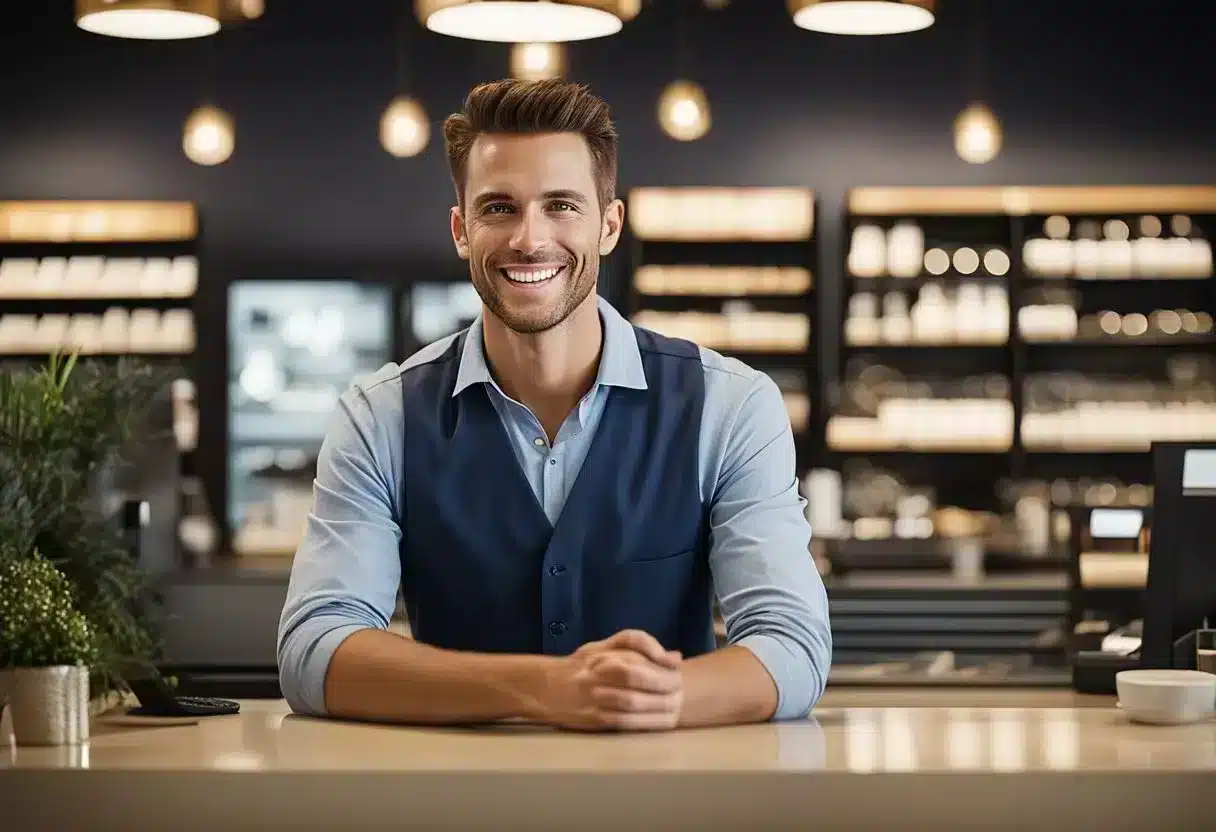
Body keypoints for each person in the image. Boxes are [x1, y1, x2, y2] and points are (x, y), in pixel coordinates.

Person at [277, 78, 831, 731]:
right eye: (498, 208)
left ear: (609, 225)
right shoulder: (380, 417)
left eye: (561, 205)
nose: (529, 239)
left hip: (670, 784)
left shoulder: (730, 406)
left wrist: (650, 697)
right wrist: (544, 687)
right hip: (454, 786)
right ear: (461, 230)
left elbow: (792, 646)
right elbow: (314, 650)